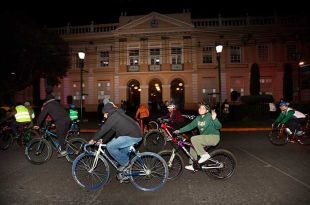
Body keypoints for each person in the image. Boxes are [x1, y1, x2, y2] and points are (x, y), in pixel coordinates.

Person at [89, 102, 143, 171]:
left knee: (110, 146)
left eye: (105, 114)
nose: (104, 116)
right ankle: (125, 173)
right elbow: (112, 130)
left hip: (132, 136)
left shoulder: (114, 116)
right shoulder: (116, 114)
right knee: (122, 152)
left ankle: (126, 164)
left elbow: (104, 129)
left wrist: (94, 139)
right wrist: (103, 140)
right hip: (133, 134)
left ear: (108, 112)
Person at [174, 103, 222, 171]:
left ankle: (204, 155)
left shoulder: (210, 116)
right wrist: (179, 130)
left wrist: (214, 119)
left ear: (207, 110)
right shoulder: (198, 118)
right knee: (192, 145)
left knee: (194, 139)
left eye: (203, 108)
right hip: (205, 138)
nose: (200, 109)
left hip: (214, 137)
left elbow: (219, 126)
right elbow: (190, 126)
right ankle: (194, 165)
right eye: (200, 108)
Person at [35, 86, 71, 157]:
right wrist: (53, 123)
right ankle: (63, 145)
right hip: (67, 119)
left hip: (61, 121)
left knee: (60, 135)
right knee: (62, 135)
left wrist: (38, 124)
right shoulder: (57, 103)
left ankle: (63, 151)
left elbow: (42, 115)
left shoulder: (48, 105)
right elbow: (57, 113)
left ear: (47, 100)